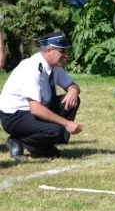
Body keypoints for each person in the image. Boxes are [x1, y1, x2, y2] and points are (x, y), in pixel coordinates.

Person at [0, 31, 83, 162]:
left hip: (35, 109)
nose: (66, 55)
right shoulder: (32, 68)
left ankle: (43, 146)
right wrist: (67, 124)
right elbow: (36, 109)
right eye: (62, 51)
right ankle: (17, 140)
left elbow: (73, 86)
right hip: (14, 116)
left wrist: (73, 91)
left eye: (66, 51)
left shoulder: (55, 66)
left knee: (73, 100)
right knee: (56, 130)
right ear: (49, 50)